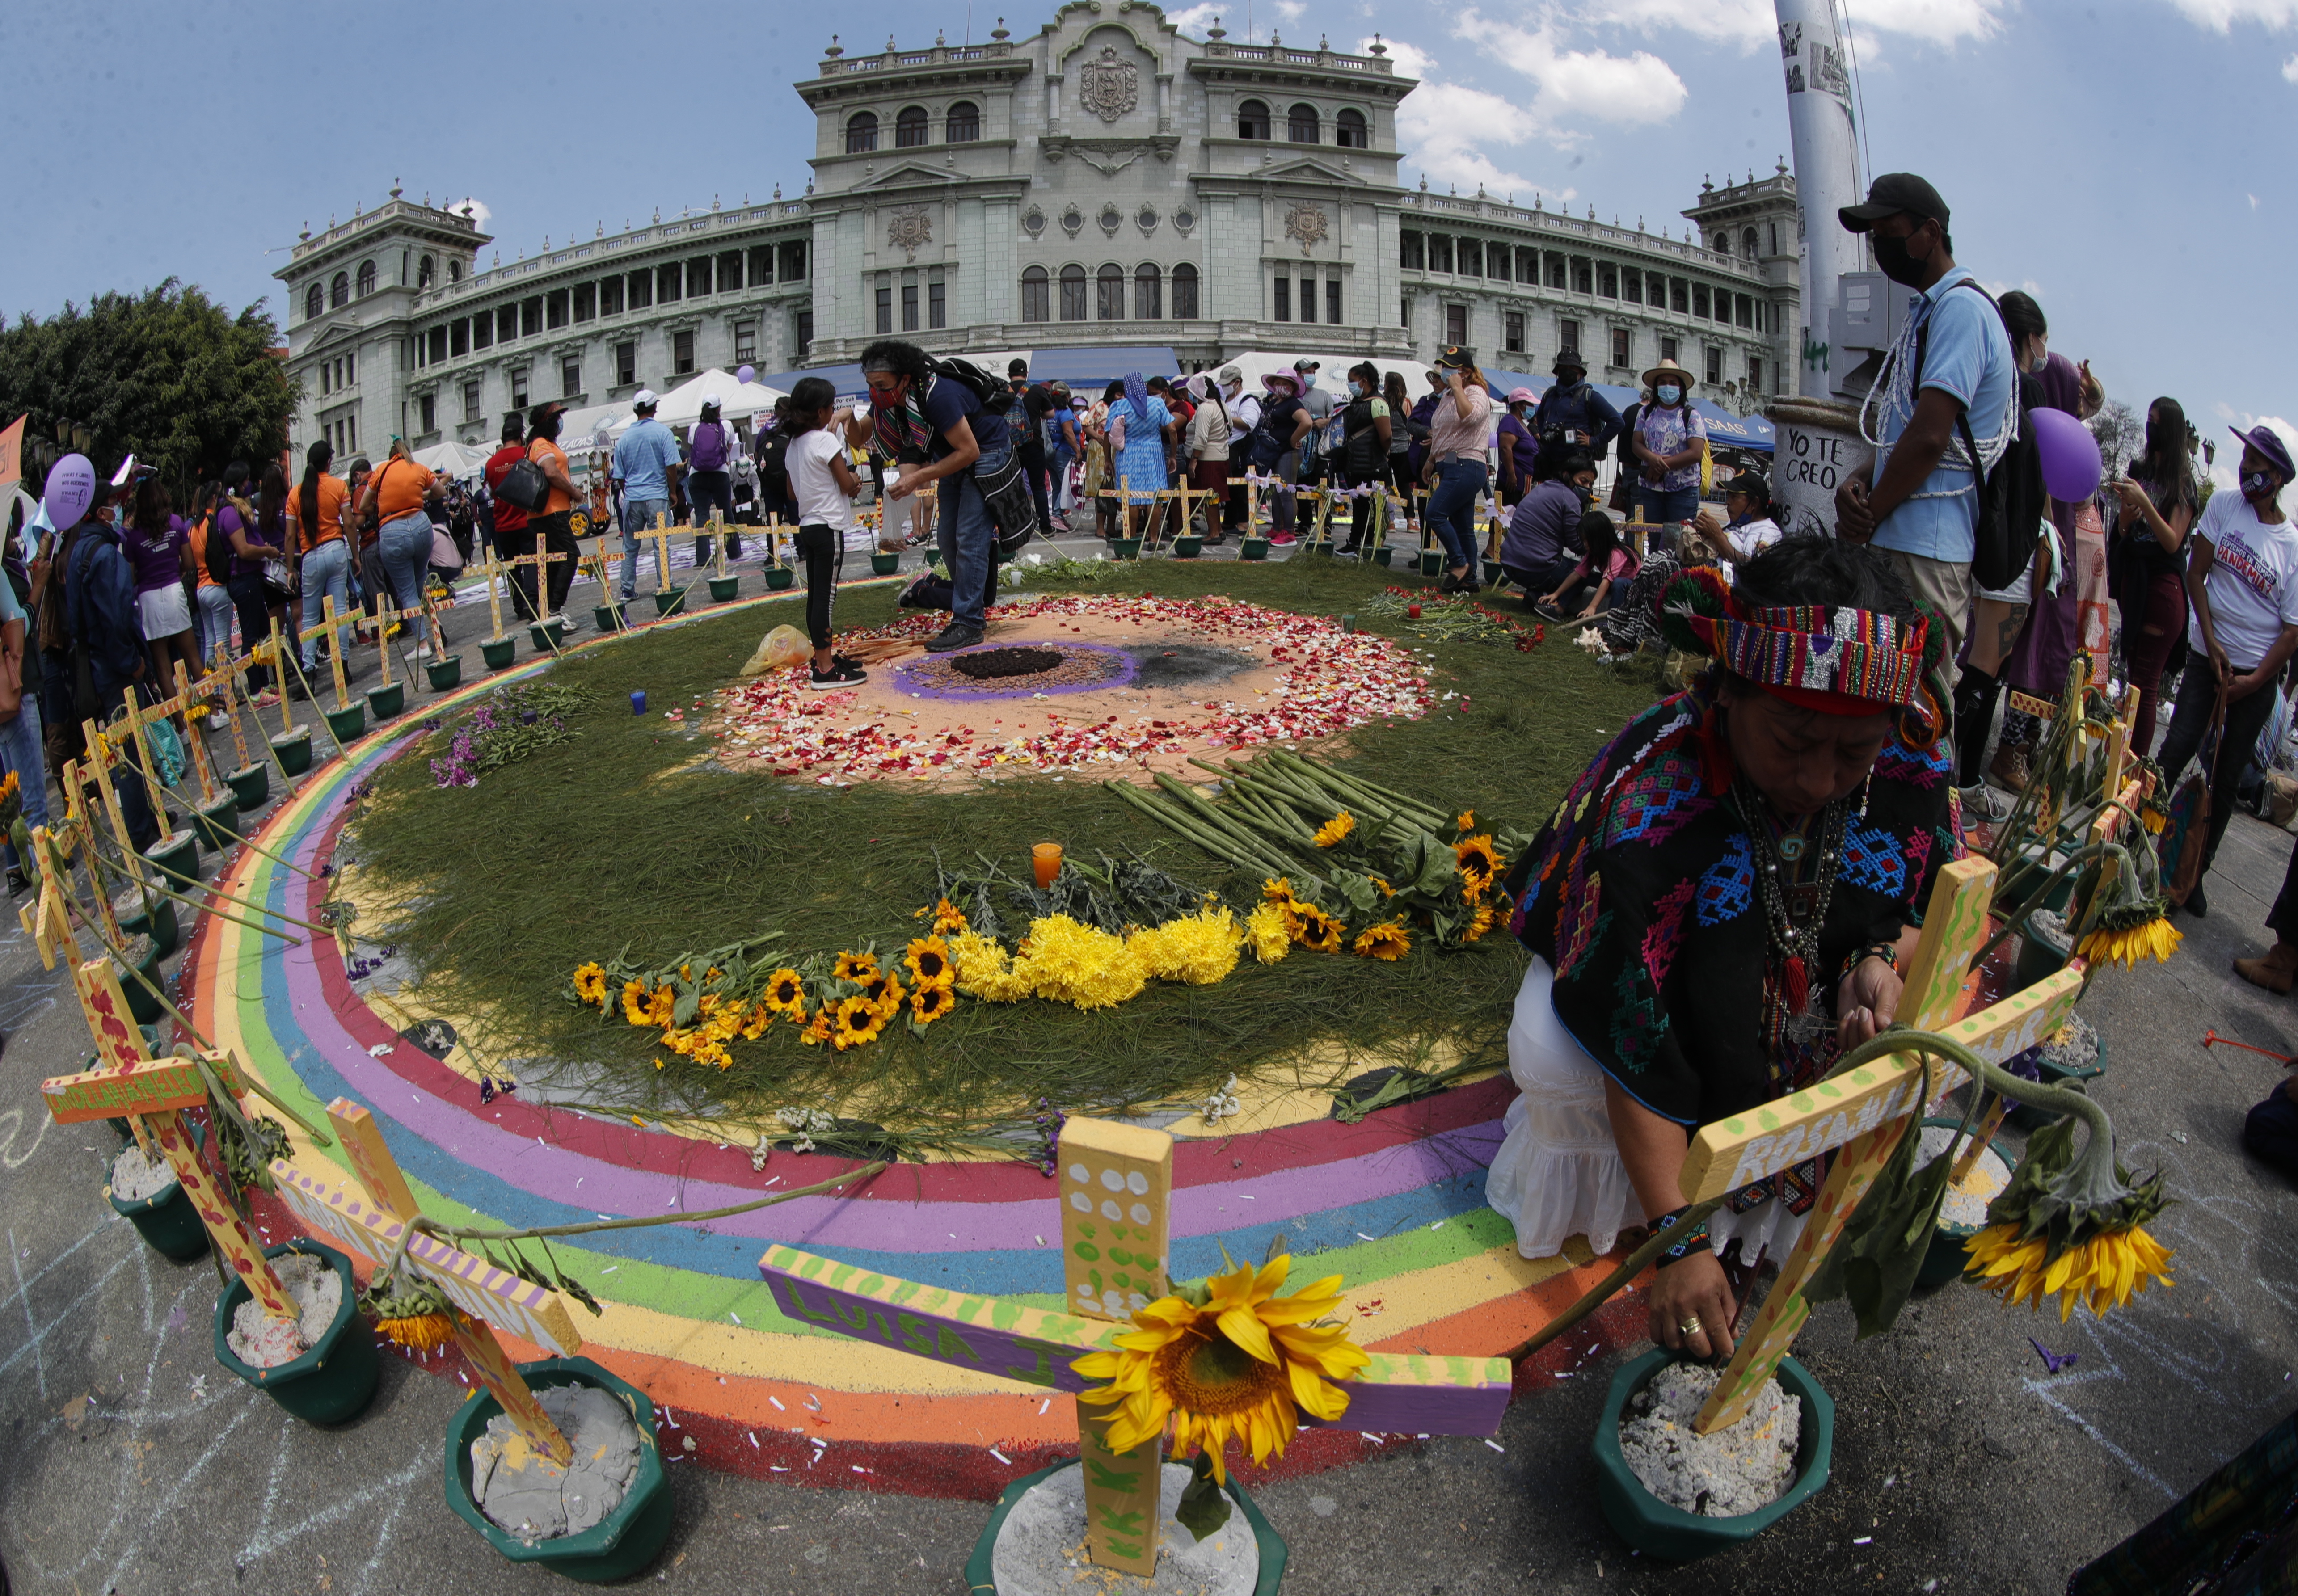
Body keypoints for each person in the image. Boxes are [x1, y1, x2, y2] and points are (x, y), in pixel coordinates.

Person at [1487, 538, 1953, 1363]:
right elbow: (1633, 1017)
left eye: (1853, 753)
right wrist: (1678, 1241)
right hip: (1651, 989)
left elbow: (1921, 908)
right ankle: (1644, 1192)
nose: (1818, 780)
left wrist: (1875, 961)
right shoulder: (1662, 791)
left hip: (1789, 1001)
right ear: (1731, 690)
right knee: (1552, 1051)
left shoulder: (1910, 761)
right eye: (1793, 741)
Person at [1833, 172, 2020, 681]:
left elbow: (1930, 438)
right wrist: (1858, 480)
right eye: (1872, 237)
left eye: (1887, 233)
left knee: (1920, 713)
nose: (1877, 247)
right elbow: (1903, 433)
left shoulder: (1960, 309)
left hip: (1926, 549)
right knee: (1881, 699)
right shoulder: (1929, 311)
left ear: (1929, 234)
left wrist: (1867, 512)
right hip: (1905, 540)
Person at [2151, 424, 2298, 920]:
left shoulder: (2291, 545)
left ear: (2276, 477)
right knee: (2175, 749)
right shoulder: (2224, 506)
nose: (2247, 469)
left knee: (2226, 778)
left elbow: (2291, 632)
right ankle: (2133, 836)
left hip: (2252, 680)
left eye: (2258, 464)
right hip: (2204, 657)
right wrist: (2210, 642)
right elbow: (2196, 573)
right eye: (2245, 459)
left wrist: (2252, 683)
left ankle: (2193, 875)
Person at [1978, 291, 2109, 793]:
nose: (2081, 406)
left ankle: (2019, 747)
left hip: (2061, 569)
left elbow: (2088, 400)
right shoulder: (2035, 431)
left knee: (2038, 659)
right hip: (2037, 561)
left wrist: (2089, 393)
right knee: (2023, 658)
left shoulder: (2062, 438)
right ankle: (2007, 751)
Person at [854, 338, 1011, 653]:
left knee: (969, 535)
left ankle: (968, 620)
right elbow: (859, 438)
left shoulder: (938, 395)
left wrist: (918, 477)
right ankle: (972, 602)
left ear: (905, 379)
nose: (876, 393)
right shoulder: (889, 399)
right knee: (946, 541)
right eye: (871, 386)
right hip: (954, 456)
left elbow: (971, 450)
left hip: (986, 452)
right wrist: (846, 416)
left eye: (881, 385)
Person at [66, 481, 163, 850]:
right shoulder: (106, 555)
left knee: (125, 751)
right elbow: (117, 617)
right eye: (112, 504)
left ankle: (145, 819)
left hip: (98, 667)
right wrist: (134, 662)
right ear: (99, 512)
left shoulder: (79, 552)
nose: (118, 510)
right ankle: (141, 832)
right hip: (118, 669)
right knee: (131, 755)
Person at [2109, 397, 2200, 757]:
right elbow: (2125, 530)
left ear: (2171, 431)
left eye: (2155, 422)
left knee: (2144, 686)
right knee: (2132, 681)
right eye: (2147, 420)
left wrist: (2145, 502)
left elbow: (2171, 540)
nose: (2149, 428)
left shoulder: (2183, 485)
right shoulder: (2140, 469)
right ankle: (2119, 765)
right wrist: (2124, 521)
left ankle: (2130, 770)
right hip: (2136, 583)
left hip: (2162, 591)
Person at [783, 375, 869, 689]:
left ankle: (823, 659)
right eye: (832, 407)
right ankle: (825, 668)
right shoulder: (824, 440)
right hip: (829, 524)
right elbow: (847, 485)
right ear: (821, 412)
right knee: (826, 597)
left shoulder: (794, 445)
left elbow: (792, 493)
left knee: (816, 595)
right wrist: (855, 481)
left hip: (807, 525)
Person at [361, 438, 447, 657]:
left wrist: (382, 505)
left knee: (406, 591)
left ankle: (423, 645)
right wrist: (420, 495)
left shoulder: (381, 471)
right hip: (421, 525)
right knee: (422, 583)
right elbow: (441, 492)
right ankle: (438, 631)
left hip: (392, 530)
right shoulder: (419, 468)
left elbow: (363, 506)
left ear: (392, 456)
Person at [1421, 344, 1494, 592]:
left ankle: (1459, 564)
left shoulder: (1475, 393)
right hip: (1450, 463)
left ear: (1463, 372)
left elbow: (1469, 416)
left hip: (1468, 464)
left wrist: (1456, 387)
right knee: (1463, 526)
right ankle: (1470, 580)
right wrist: (1432, 459)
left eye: (1449, 368)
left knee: (1435, 513)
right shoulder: (1449, 397)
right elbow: (1442, 432)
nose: (1443, 372)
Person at [122, 478, 198, 700]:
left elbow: (130, 576)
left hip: (148, 598)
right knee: (192, 657)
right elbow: (189, 562)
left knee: (163, 668)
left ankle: (182, 729)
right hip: (174, 589)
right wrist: (175, 570)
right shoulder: (177, 524)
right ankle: (213, 712)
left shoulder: (134, 538)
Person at [288, 439, 354, 676]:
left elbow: (289, 536)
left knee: (309, 618)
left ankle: (309, 671)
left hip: (310, 556)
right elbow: (348, 523)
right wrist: (355, 557)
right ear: (329, 462)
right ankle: (344, 666)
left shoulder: (295, 494)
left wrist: (289, 569)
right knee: (339, 611)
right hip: (336, 550)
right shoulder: (339, 486)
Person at [613, 391, 683, 600]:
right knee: (661, 543)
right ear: (655, 409)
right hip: (657, 496)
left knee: (630, 546)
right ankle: (664, 584)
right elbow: (671, 466)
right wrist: (672, 491)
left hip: (633, 497)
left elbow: (619, 476)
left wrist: (630, 492)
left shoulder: (624, 439)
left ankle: (627, 589)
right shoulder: (663, 433)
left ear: (636, 411)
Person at [1499, 453, 1595, 602]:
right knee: (1585, 573)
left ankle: (1537, 595)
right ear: (1566, 475)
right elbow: (1576, 545)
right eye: (1583, 481)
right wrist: (1597, 550)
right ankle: (1551, 601)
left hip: (1509, 564)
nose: (1587, 488)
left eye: (1590, 484)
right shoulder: (1570, 499)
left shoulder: (1542, 488)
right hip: (1536, 568)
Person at [231, 465, 289, 703]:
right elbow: (244, 549)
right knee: (256, 634)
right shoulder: (233, 512)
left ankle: (269, 682)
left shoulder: (253, 508)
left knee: (268, 629)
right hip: (259, 574)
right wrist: (267, 550)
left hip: (260, 574)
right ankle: (258, 689)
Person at [1630, 358, 1708, 527]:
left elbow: (1696, 453)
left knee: (1679, 540)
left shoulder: (1692, 416)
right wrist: (1652, 458)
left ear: (1681, 387)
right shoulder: (1645, 413)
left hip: (1683, 490)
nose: (1667, 386)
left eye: (1673, 383)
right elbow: (1636, 444)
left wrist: (1660, 466)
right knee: (1654, 538)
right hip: (1651, 488)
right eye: (1663, 382)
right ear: (1656, 388)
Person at [523, 403, 581, 627]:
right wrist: (574, 491)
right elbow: (552, 473)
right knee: (570, 556)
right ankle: (554, 609)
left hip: (553, 512)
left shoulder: (545, 444)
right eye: (556, 418)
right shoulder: (540, 445)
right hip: (551, 512)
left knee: (554, 562)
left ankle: (547, 609)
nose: (560, 423)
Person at [1104, 373, 1177, 543]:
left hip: (1128, 454)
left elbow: (1108, 434)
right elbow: (1173, 430)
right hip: (1154, 453)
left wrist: (1108, 460)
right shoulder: (1158, 403)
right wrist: (1172, 455)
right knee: (1155, 497)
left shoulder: (1119, 405)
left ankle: (1131, 538)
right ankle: (1153, 539)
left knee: (1131, 497)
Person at [1530, 350, 1624, 479]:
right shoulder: (1550, 394)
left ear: (1580, 373)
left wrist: (1594, 442)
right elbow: (1540, 415)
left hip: (1576, 464)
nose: (1567, 371)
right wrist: (1543, 432)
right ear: (1558, 372)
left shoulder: (1590, 396)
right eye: (1563, 368)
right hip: (1550, 464)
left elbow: (1617, 422)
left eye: (1572, 368)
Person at [1535, 510, 1640, 622]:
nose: (1585, 544)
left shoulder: (1617, 554)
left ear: (1600, 538)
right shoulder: (1593, 554)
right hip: (1614, 584)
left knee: (1619, 583)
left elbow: (1607, 581)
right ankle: (1559, 610)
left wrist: (1592, 607)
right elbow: (1577, 574)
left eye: (1588, 541)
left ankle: (1613, 622)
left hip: (1631, 588)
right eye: (1584, 540)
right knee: (1583, 577)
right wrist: (1556, 594)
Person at [1337, 361, 1394, 556]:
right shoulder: (1357, 402)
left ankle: (1371, 544)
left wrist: (1382, 453)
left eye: (1352, 381)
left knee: (1373, 508)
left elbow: (1386, 436)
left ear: (1364, 381)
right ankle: (1355, 543)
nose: (1350, 385)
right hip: (1355, 464)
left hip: (1373, 466)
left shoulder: (1378, 403)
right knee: (1360, 506)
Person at [482, 413, 535, 621]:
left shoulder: (491, 464)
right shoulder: (526, 454)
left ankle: (519, 606)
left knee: (512, 567)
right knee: (532, 561)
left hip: (503, 523)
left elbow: (492, 492)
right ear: (521, 435)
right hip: (526, 518)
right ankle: (532, 602)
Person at [686, 395, 738, 565]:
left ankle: (703, 559)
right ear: (719, 409)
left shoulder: (694, 427)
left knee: (702, 515)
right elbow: (728, 449)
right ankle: (734, 552)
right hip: (720, 473)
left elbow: (692, 447)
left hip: (697, 475)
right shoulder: (727, 425)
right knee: (726, 514)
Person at [1692, 471, 1784, 564]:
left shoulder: (1767, 531)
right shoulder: (1738, 521)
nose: (1728, 502)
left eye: (1734, 497)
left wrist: (1717, 535)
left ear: (1754, 504)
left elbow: (1749, 566)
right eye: (1729, 496)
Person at [1184, 373, 1234, 542]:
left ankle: (1213, 533)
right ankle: (1218, 530)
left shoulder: (1205, 409)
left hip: (1208, 458)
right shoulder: (1221, 405)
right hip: (1221, 456)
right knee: (1214, 496)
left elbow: (1201, 438)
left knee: (1209, 496)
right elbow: (1230, 426)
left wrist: (1194, 460)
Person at [1383, 371, 1421, 537]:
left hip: (1385, 448)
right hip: (1404, 449)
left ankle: (1390, 521)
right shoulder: (1407, 403)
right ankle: (1410, 522)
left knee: (1386, 486)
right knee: (1404, 487)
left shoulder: (1382, 402)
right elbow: (1412, 425)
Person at [1496, 388, 1541, 510]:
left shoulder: (1522, 424)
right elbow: (1506, 448)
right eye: (1529, 404)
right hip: (1512, 484)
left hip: (1523, 484)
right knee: (1506, 519)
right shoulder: (1510, 421)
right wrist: (1511, 474)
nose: (1532, 407)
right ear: (1518, 405)